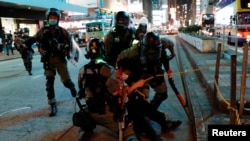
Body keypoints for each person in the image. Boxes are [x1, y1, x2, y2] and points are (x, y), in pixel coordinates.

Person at [15, 8, 77, 117]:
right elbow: (33, 39)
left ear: (57, 19)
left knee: (66, 81)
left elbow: (70, 46)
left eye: (55, 17)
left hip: (60, 59)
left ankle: (72, 87)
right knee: (49, 83)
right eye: (51, 17)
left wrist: (60, 46)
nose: (53, 19)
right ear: (48, 18)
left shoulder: (63, 32)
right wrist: (23, 42)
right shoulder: (42, 31)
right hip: (48, 59)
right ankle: (52, 104)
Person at [76, 38, 140, 141]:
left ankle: (84, 132)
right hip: (106, 113)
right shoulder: (108, 70)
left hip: (89, 111)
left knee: (83, 127)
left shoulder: (82, 70)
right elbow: (118, 93)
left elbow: (81, 91)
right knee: (128, 130)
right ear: (103, 51)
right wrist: (134, 86)